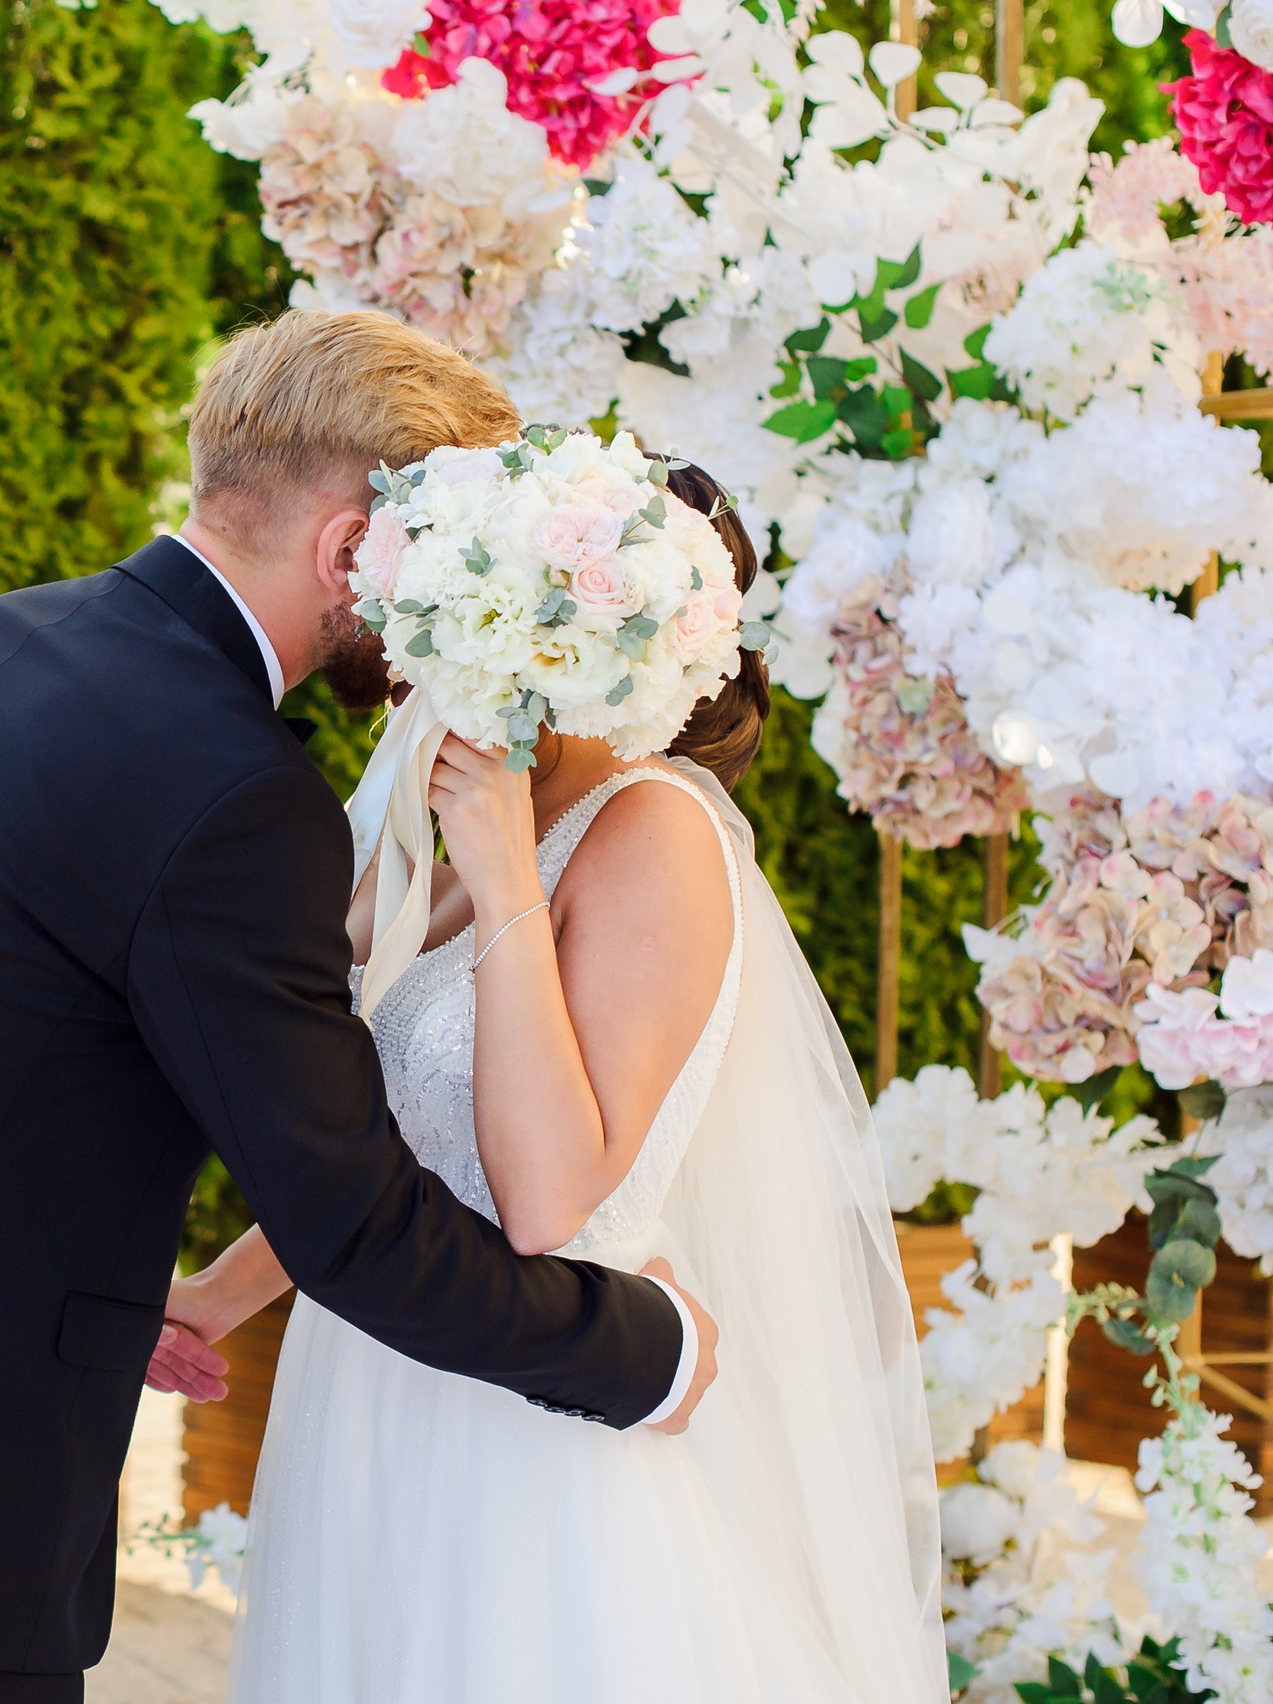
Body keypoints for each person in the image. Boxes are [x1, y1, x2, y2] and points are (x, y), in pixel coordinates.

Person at [0, 311, 720, 1701]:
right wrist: (639, 1353)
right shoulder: (233, 796)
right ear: (350, 548)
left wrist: (152, 1293)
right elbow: (353, 1224)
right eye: (442, 554)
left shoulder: (1, 643)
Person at [161, 462, 945, 1701]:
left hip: (527, 1424)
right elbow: (395, 1138)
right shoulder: (448, 794)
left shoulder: (656, 834)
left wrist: (508, 874)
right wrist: (219, 1295)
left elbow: (546, 1199)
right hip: (369, 1380)